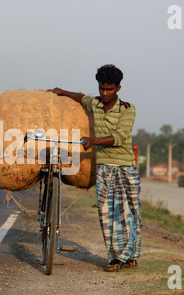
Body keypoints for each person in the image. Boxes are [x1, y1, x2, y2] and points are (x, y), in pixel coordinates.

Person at [48, 64, 141, 272]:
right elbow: (81, 98)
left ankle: (131, 255)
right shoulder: (95, 103)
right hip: (103, 168)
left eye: (109, 89)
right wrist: (61, 92)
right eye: (101, 88)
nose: (105, 93)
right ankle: (115, 258)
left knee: (130, 213)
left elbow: (119, 138)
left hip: (125, 167)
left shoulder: (128, 108)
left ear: (118, 88)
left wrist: (94, 140)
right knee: (107, 214)